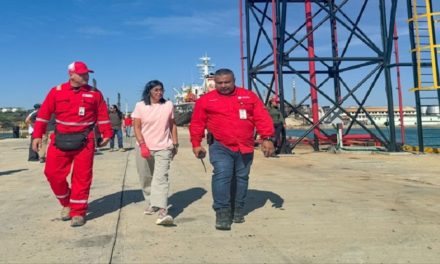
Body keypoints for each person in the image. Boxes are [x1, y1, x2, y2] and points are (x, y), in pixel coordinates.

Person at [189, 68, 275, 231]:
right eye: (219, 83)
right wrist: (196, 143)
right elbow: (197, 123)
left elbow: (261, 117)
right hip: (220, 145)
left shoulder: (249, 96)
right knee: (222, 174)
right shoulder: (206, 100)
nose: (223, 86)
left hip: (245, 145)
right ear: (214, 83)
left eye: (227, 82)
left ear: (234, 80)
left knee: (241, 177)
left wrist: (267, 138)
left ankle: (238, 209)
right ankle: (222, 212)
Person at [32, 61, 112, 227]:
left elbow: (103, 115)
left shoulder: (95, 94)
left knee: (82, 177)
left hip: (86, 139)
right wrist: (37, 135)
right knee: (52, 173)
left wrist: (107, 133)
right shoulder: (56, 92)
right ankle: (67, 202)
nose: (86, 76)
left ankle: (78, 212)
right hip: (60, 138)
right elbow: (43, 115)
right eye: (82, 74)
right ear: (71, 75)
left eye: (87, 73)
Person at [131, 80, 178, 226]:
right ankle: (152, 203)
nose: (159, 93)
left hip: (163, 147)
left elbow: (172, 124)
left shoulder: (168, 105)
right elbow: (137, 127)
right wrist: (143, 145)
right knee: (146, 177)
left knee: (160, 178)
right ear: (149, 91)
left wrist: (175, 143)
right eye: (156, 90)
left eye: (161, 90)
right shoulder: (140, 106)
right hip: (144, 146)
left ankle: (163, 211)